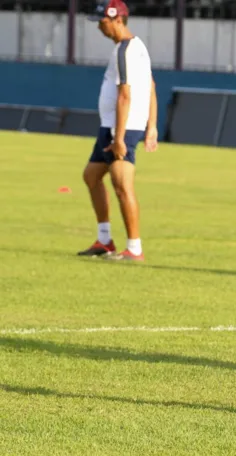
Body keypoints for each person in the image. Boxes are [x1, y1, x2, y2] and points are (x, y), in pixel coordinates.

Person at [77, 0, 158, 262]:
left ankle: (134, 248)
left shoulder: (125, 49)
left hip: (120, 128)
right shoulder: (135, 47)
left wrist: (120, 138)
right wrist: (152, 126)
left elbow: (126, 95)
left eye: (102, 22)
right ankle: (104, 240)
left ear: (117, 19)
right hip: (112, 127)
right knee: (91, 176)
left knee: (122, 186)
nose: (99, 27)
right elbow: (151, 86)